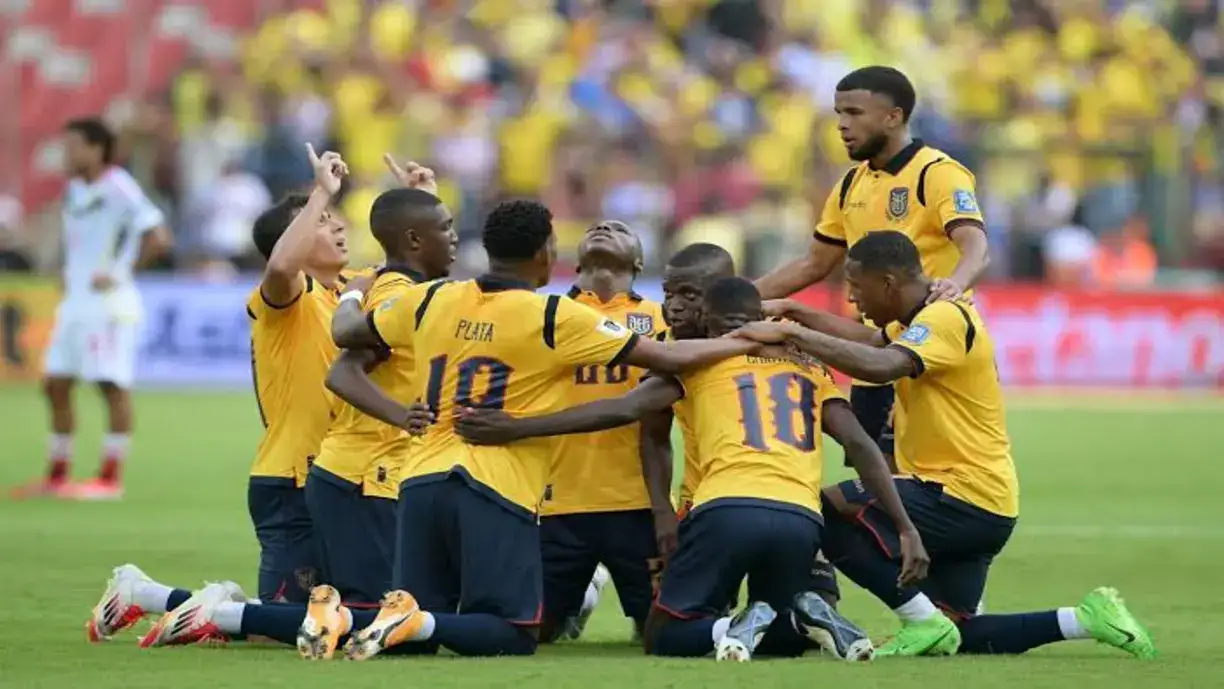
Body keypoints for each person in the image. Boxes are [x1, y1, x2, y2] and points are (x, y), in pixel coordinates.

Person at [324, 199, 772, 659]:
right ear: (547, 254)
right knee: (513, 632)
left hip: (420, 479)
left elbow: (346, 335)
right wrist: (760, 334)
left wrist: (353, 292)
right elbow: (670, 360)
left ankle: (292, 617)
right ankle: (406, 619)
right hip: (498, 484)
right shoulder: (555, 316)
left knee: (413, 639)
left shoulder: (432, 298)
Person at [454, 277, 927, 662]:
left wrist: (518, 426)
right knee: (781, 643)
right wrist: (904, 527)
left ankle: (730, 624)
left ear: (705, 319)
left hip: (726, 508)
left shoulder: (698, 364)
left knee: (664, 635)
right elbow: (861, 444)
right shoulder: (811, 370)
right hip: (801, 519)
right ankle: (803, 618)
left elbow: (621, 411)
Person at [733, 230, 1156, 659]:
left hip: (956, 492)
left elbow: (883, 365)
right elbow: (871, 342)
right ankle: (1086, 619)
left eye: (857, 288)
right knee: (960, 634)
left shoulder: (944, 319)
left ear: (889, 283)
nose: (852, 300)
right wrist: (793, 313)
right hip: (989, 503)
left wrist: (795, 337)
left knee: (821, 509)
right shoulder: (917, 318)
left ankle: (917, 620)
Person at [754, 66, 991, 466]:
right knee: (874, 486)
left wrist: (954, 284)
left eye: (854, 113)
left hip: (926, 349)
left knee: (920, 478)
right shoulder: (850, 184)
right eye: (838, 114)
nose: (842, 125)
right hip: (872, 353)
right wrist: (738, 300)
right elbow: (813, 263)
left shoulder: (936, 173)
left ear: (892, 117)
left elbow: (976, 244)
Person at [13, 117, 172, 501]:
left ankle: (109, 478)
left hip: (109, 305)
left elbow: (159, 237)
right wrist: (69, 270)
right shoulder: (74, 191)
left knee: (111, 385)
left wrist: (120, 272)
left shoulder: (119, 188)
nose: (66, 155)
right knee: (55, 384)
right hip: (76, 303)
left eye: (73, 148)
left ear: (96, 149)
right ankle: (57, 474)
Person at [535, 220, 667, 643]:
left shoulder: (660, 319)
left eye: (619, 228)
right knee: (534, 633)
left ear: (638, 260)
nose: (604, 227)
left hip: (633, 501)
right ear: (575, 262)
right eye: (595, 227)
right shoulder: (546, 315)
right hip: (556, 501)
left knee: (661, 635)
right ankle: (585, 595)